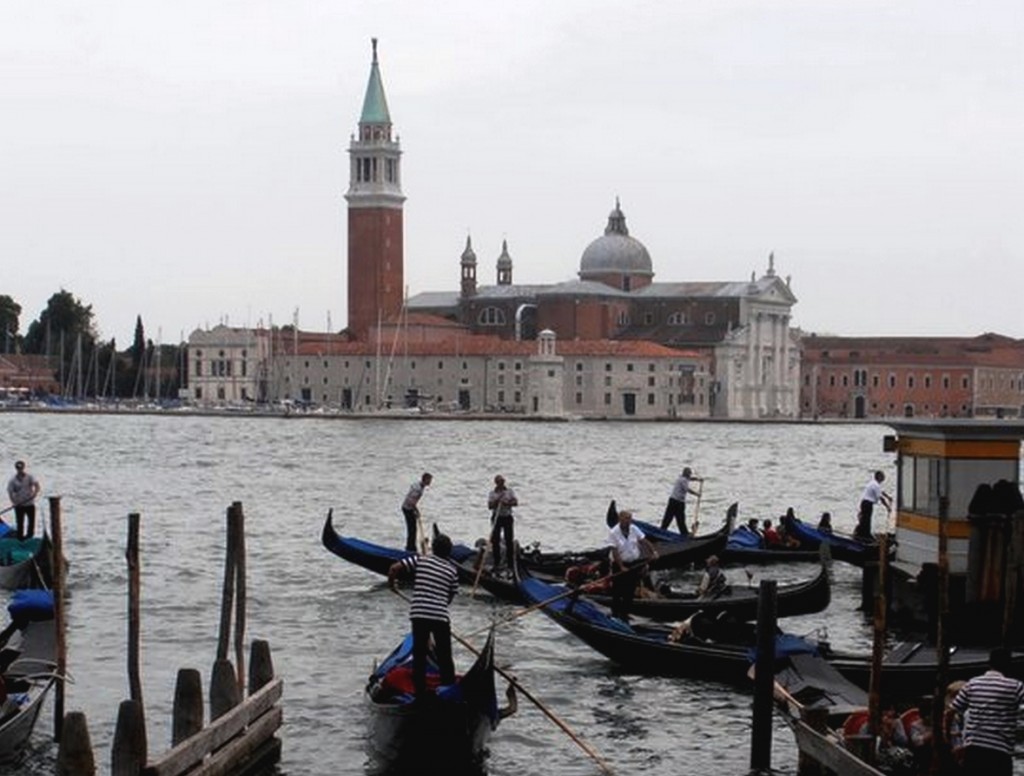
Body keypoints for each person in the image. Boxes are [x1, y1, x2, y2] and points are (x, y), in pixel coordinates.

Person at [387, 532, 459, 701]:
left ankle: (420, 693)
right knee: (445, 655)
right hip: (440, 615)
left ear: (433, 548)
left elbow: (394, 568)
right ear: (448, 552)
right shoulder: (452, 571)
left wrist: (392, 585)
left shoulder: (421, 560)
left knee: (419, 654)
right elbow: (450, 596)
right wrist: (439, 606)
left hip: (419, 613)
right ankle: (448, 689)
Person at [948, 647, 1024, 775]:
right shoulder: (1015, 686)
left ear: (989, 664)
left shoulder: (972, 683)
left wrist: (947, 737)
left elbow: (950, 712)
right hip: (1000, 750)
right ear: (1008, 665)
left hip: (973, 748)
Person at [606, 509, 657, 621]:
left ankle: (625, 614)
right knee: (618, 591)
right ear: (620, 519)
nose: (629, 521)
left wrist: (653, 552)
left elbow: (644, 541)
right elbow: (614, 551)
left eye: (630, 518)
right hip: (619, 565)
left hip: (633, 564)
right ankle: (615, 614)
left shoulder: (634, 529)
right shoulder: (614, 532)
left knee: (629, 591)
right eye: (626, 518)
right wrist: (621, 567)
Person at [487, 475, 518, 574]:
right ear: (496, 483)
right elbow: (490, 506)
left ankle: (510, 565)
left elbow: (515, 502)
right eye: (499, 482)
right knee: (495, 540)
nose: (501, 483)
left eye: (502, 481)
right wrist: (498, 500)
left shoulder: (509, 491)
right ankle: (497, 563)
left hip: (507, 518)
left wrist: (507, 503)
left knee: (509, 540)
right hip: (497, 517)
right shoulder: (492, 493)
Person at [661, 467, 702, 536]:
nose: (690, 475)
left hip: (678, 502)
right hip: (675, 502)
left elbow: (690, 479)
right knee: (669, 517)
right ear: (687, 474)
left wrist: (698, 479)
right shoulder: (682, 480)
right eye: (689, 474)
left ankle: (683, 533)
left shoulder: (684, 478)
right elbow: (687, 489)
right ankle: (662, 531)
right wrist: (697, 494)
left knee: (680, 519)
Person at [7, 460, 41, 541]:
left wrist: (35, 493)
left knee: (31, 522)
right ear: (16, 469)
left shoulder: (30, 477)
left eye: (21, 468)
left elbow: (37, 486)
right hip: (19, 505)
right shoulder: (12, 480)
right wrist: (14, 502)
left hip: (30, 504)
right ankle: (20, 538)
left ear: (24, 467)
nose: (20, 470)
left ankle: (29, 536)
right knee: (20, 523)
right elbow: (10, 493)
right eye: (18, 468)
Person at [400, 472, 432, 552]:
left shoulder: (419, 486)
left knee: (413, 529)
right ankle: (410, 548)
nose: (430, 482)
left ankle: (411, 547)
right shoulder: (418, 489)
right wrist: (416, 511)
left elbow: (413, 500)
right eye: (429, 480)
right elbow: (411, 501)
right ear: (425, 479)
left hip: (409, 508)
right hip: (407, 509)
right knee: (412, 529)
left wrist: (415, 510)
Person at [856, 470, 892, 540]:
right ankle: (865, 535)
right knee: (866, 520)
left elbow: (881, 492)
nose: (884, 478)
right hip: (867, 504)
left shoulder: (874, 484)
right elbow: (881, 498)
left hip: (864, 503)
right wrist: (887, 507)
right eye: (882, 476)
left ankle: (862, 534)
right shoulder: (875, 485)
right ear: (879, 477)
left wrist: (888, 497)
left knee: (864, 520)